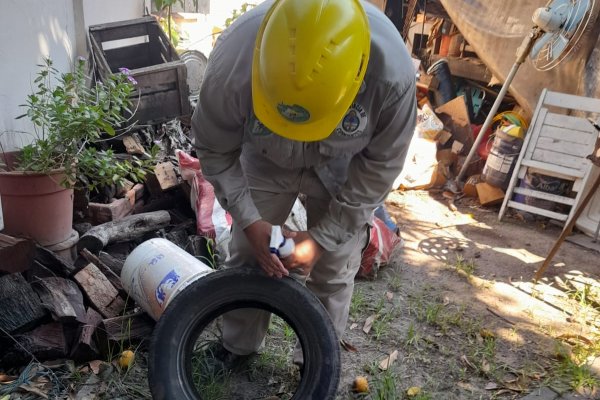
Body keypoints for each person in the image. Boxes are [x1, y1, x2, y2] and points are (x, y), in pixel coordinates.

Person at [191, 0, 416, 368]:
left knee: (334, 265)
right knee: (250, 253)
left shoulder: (392, 76)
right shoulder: (233, 61)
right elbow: (215, 148)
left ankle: (315, 362)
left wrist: (323, 239)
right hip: (266, 154)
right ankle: (236, 348)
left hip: (344, 163)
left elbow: (380, 167)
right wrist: (249, 220)